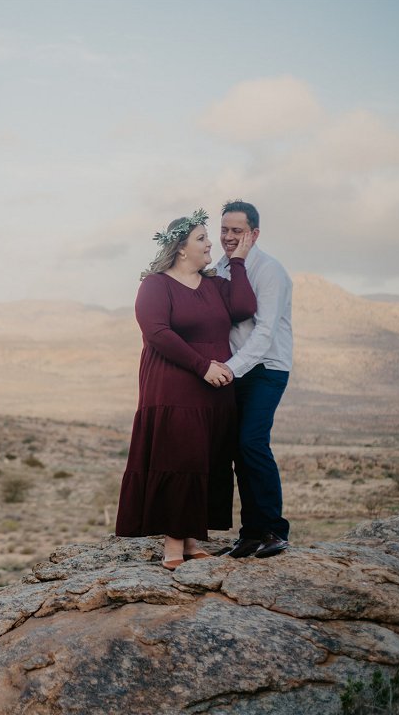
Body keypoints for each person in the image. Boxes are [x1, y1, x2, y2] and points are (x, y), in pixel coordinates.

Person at [115, 209, 256, 570]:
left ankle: (192, 540)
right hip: (174, 386)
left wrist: (237, 263)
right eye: (202, 239)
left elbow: (244, 307)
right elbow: (157, 333)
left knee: (205, 460)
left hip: (215, 391)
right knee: (179, 459)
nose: (212, 244)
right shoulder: (156, 285)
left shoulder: (215, 286)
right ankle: (173, 546)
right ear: (180, 248)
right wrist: (201, 366)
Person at [213, 200, 294, 559]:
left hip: (267, 368)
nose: (229, 237)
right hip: (235, 368)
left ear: (254, 233)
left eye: (237, 231)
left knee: (252, 443)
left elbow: (264, 333)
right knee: (235, 449)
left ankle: (275, 530)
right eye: (225, 230)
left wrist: (231, 368)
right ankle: (250, 533)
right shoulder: (220, 268)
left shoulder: (271, 271)